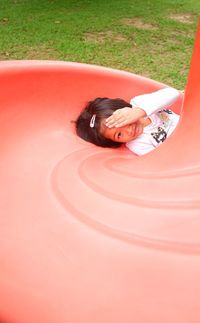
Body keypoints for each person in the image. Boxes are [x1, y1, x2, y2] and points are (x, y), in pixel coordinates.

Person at [75, 87, 180, 155]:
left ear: (124, 109)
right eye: (119, 135)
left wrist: (140, 111)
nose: (128, 131)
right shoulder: (137, 144)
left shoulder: (139, 104)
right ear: (115, 142)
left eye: (123, 121)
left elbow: (173, 93)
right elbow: (161, 159)